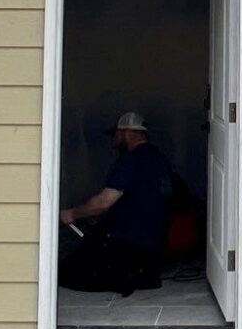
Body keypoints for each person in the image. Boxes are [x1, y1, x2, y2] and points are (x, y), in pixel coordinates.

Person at [58, 112, 173, 295]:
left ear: (126, 133)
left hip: (127, 243)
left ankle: (126, 277)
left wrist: (70, 214)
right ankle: (139, 274)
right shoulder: (159, 158)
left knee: (64, 272)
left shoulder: (130, 161)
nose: (112, 142)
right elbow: (143, 199)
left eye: (115, 135)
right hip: (154, 245)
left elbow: (102, 203)